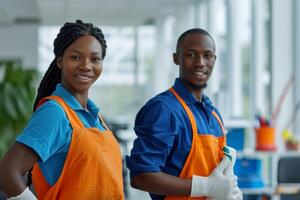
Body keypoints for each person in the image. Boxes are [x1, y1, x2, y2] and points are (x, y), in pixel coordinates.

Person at [0, 20, 124, 200]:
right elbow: (7, 172)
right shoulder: (55, 113)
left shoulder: (95, 117)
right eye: (75, 57)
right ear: (60, 60)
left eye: (95, 59)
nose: (86, 65)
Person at [126, 28, 243, 200]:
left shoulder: (214, 114)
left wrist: (230, 189)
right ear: (176, 58)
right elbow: (141, 177)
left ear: (214, 60)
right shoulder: (163, 110)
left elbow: (218, 173)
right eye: (191, 54)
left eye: (207, 55)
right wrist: (205, 187)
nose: (200, 62)